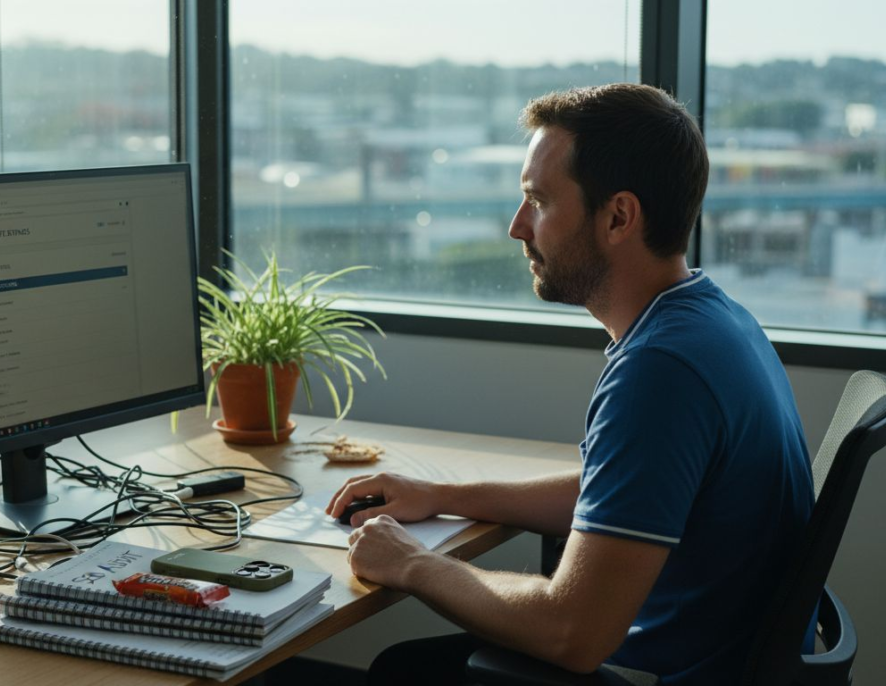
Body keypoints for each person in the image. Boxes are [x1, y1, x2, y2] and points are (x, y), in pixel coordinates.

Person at [326, 83, 814, 686]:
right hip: (715, 656)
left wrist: (414, 564)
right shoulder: (713, 322)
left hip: (667, 672)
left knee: (404, 673)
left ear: (618, 217)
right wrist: (443, 494)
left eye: (538, 201)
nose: (516, 227)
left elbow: (571, 633)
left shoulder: (661, 370)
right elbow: (622, 487)